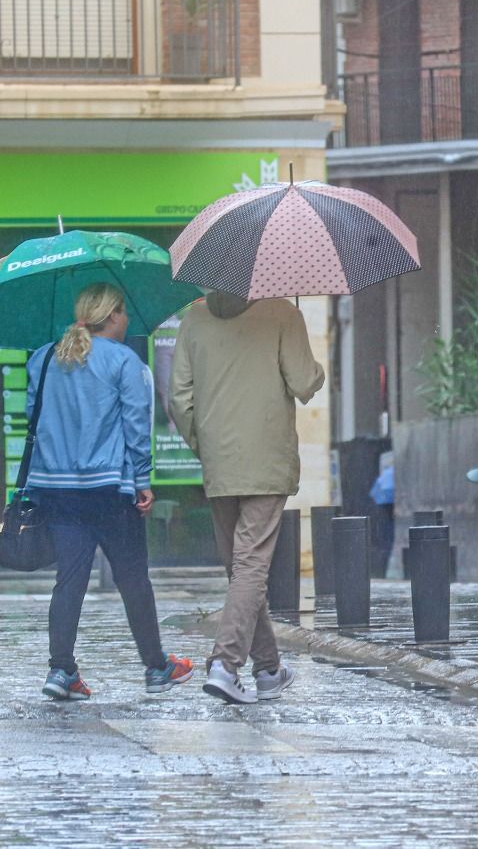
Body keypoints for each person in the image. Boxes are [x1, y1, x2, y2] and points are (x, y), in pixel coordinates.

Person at [28, 282, 195, 701]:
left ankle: (61, 670)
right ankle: (157, 667)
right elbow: (136, 427)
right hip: (109, 490)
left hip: (58, 489)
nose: (127, 321)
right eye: (124, 314)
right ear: (114, 315)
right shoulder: (125, 361)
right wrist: (142, 481)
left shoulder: (43, 359)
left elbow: (35, 419)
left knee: (68, 579)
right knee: (133, 578)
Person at [171, 291, 324, 703]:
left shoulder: (194, 319)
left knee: (241, 568)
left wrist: (207, 446)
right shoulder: (281, 313)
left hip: (220, 461)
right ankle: (225, 662)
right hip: (267, 458)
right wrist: (297, 334)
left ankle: (269, 669)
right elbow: (305, 382)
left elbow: (179, 399)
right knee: (252, 565)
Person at [369, 451, 396, 579]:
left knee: (385, 542)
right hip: (389, 511)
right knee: (387, 541)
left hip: (383, 510)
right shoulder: (394, 476)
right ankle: (382, 571)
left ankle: (381, 571)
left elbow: (374, 493)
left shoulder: (384, 476)